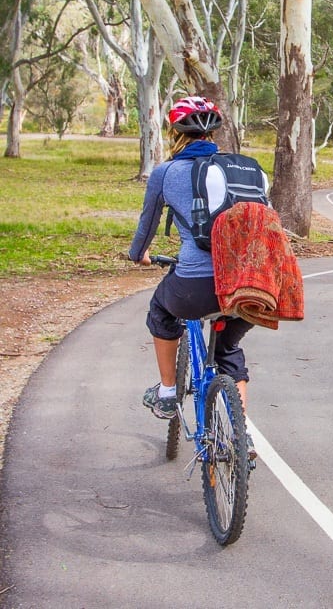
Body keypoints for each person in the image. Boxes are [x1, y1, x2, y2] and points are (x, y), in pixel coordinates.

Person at [128, 95, 256, 455]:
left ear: (175, 133)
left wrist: (138, 255)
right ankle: (240, 433)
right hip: (249, 286)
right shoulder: (245, 168)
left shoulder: (166, 173)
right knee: (228, 346)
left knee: (161, 311)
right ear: (215, 132)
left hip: (194, 285)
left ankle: (168, 391)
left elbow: (146, 227)